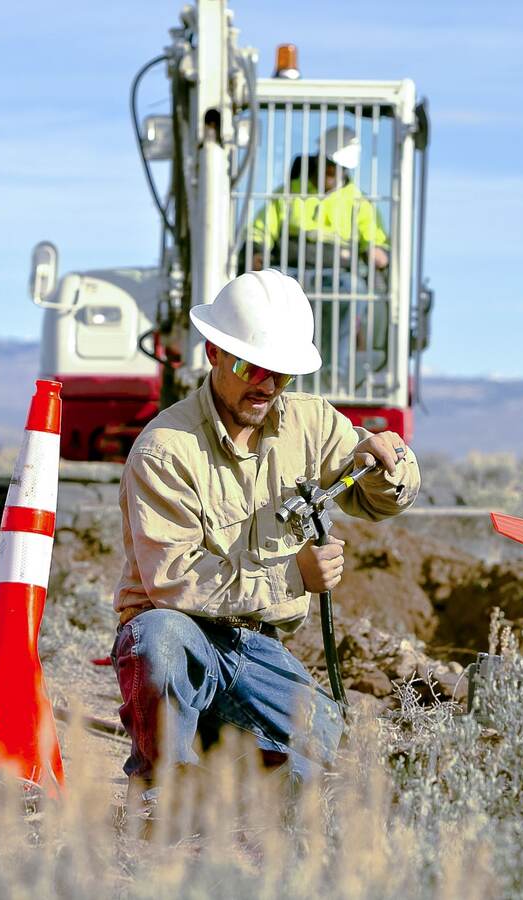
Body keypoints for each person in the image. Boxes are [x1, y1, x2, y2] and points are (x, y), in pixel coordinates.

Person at [111, 269, 420, 808]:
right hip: (183, 636)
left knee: (335, 759)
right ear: (212, 353)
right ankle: (160, 796)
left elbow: (381, 499)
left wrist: (386, 463)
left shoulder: (311, 424)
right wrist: (292, 575)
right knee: (158, 639)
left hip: (257, 647)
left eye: (281, 374)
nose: (267, 385)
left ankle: (228, 767)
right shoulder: (165, 450)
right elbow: (175, 586)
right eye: (249, 366)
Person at [248, 126, 390, 389]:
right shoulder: (289, 193)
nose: (331, 174)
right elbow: (261, 228)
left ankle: (335, 372)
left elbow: (376, 241)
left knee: (353, 290)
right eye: (327, 167)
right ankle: (273, 367)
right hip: (290, 272)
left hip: (334, 277)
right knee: (267, 291)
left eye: (336, 170)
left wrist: (377, 252)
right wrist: (257, 249)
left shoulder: (358, 202)